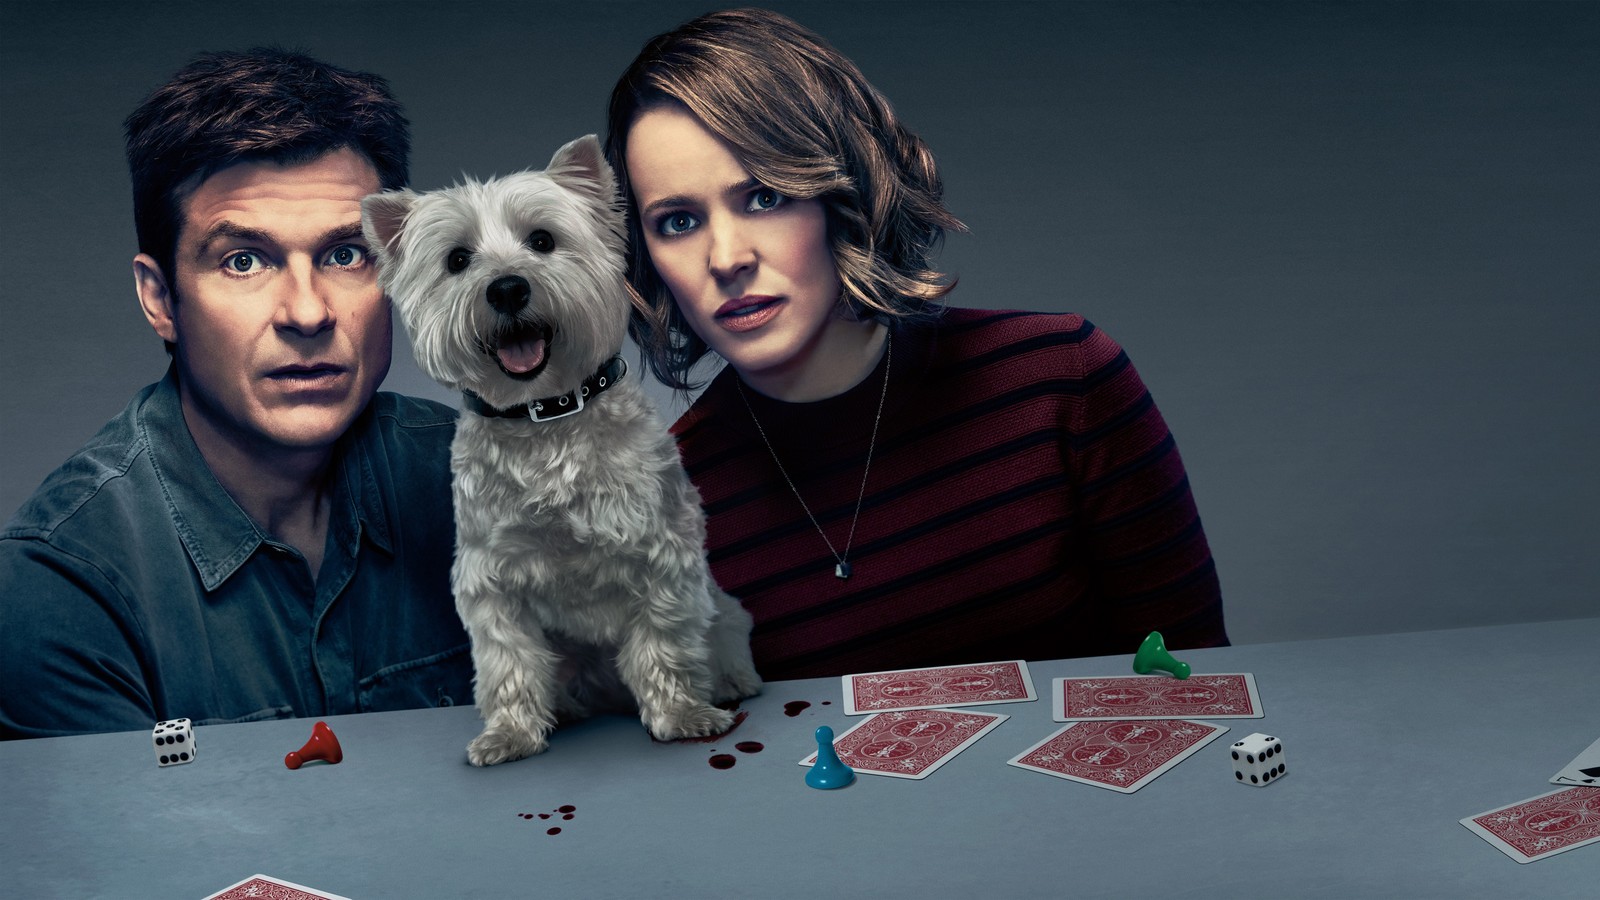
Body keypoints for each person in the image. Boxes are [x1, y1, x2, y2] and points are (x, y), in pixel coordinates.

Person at [605, 9, 1229, 681]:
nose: (726, 257)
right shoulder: (668, 495)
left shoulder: (1062, 382)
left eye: (764, 196)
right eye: (678, 221)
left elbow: (1197, 687)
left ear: (841, 192)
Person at [0, 49, 472, 740]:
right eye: (244, 260)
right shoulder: (59, 586)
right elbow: (132, 849)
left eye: (345, 255)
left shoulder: (484, 477)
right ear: (160, 299)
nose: (307, 313)